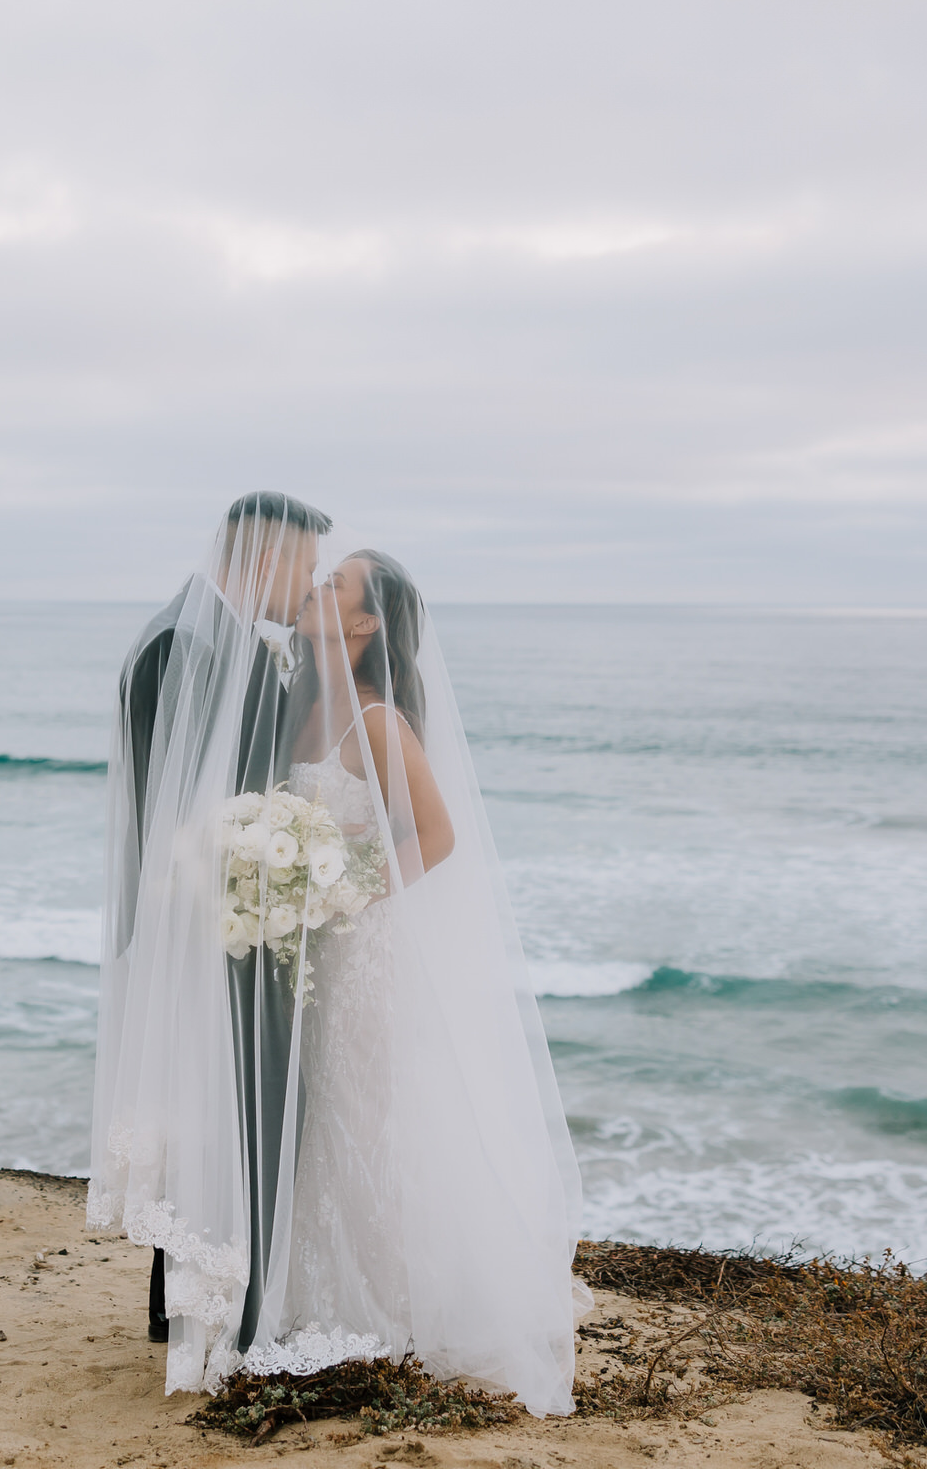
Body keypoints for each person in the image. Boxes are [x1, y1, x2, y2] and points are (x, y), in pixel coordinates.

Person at [89, 514, 585, 1414]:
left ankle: (389, 1308)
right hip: (300, 953)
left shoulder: (376, 718)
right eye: (314, 576)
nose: (315, 591)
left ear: (362, 628)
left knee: (360, 1123)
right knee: (309, 1133)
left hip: (354, 958)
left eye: (334, 587)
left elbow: (434, 837)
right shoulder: (296, 694)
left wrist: (337, 892)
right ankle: (299, 1300)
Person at [91, 491, 330, 1390]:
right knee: (226, 1117)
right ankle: (223, 1314)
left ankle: (203, 1300)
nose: (307, 586)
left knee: (219, 1116)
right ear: (265, 554)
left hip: (233, 918)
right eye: (304, 567)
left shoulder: (226, 639)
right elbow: (174, 817)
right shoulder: (181, 644)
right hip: (206, 929)